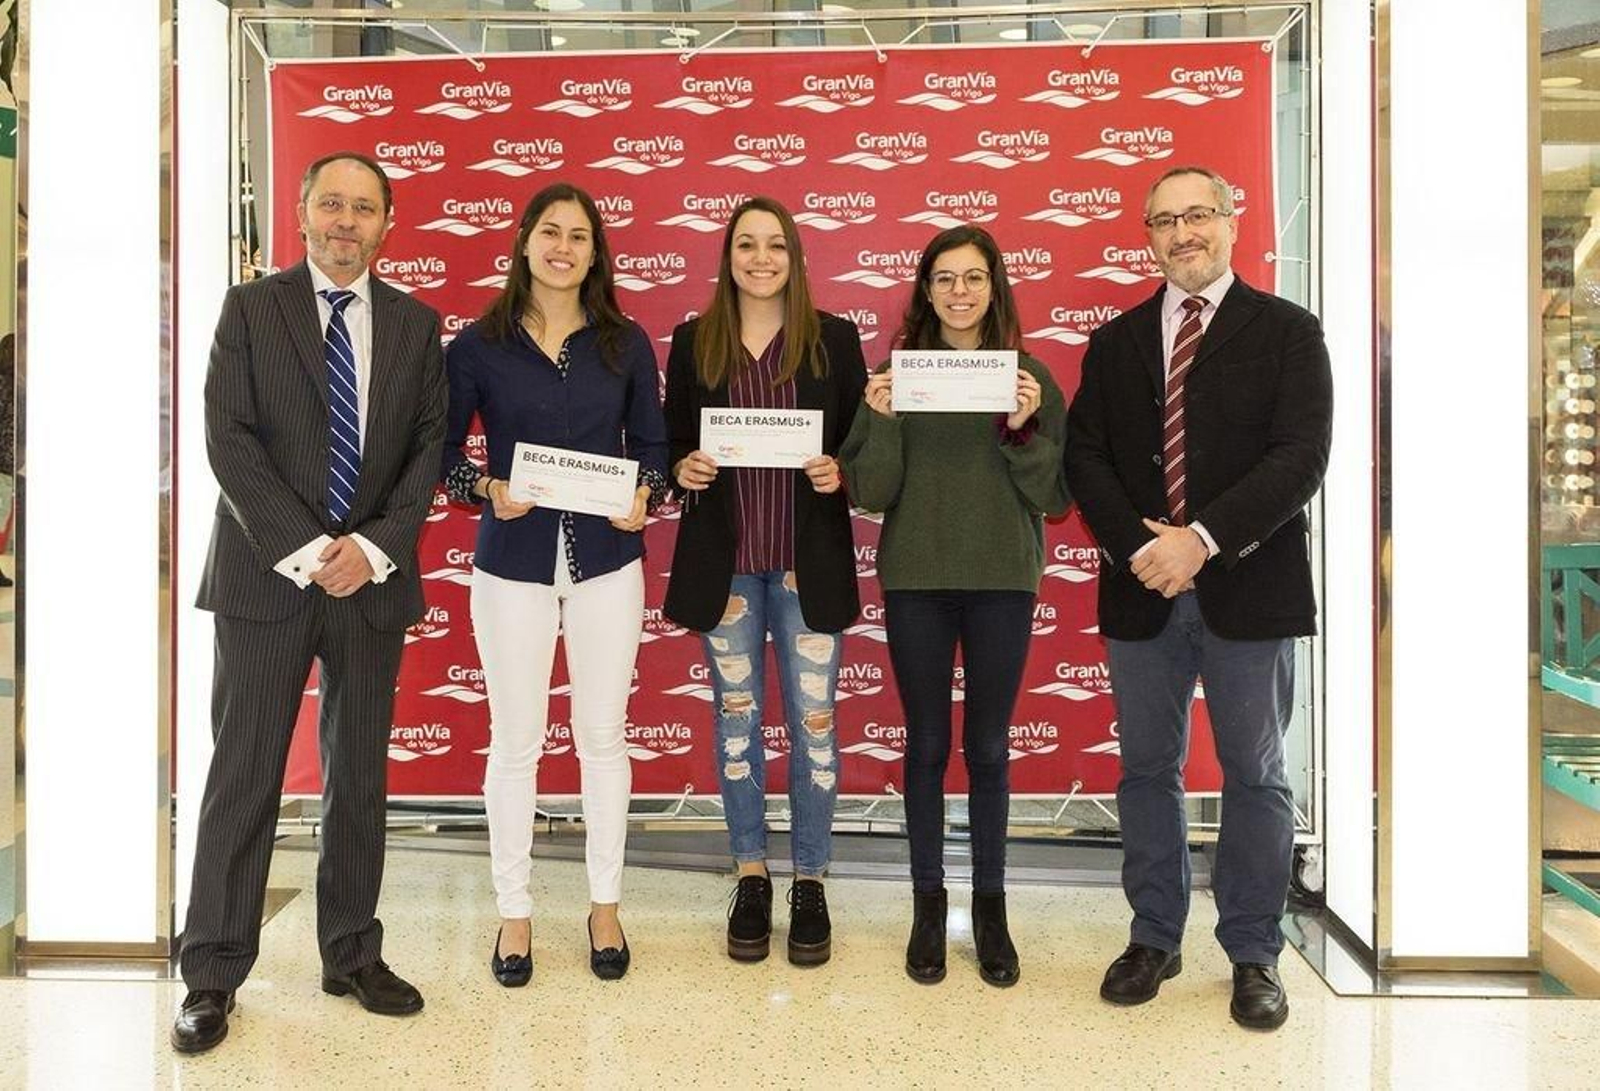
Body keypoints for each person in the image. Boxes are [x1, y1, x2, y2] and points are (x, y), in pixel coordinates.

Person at [174, 151, 447, 1054]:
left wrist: (367, 550)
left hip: (369, 582)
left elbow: (425, 452)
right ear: (300, 213)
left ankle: (350, 950)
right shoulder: (251, 309)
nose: (346, 221)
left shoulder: (416, 325)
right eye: (331, 203)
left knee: (358, 777)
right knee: (245, 773)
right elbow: (227, 434)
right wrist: (306, 548)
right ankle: (212, 970)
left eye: (364, 208)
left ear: (387, 223)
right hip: (266, 577)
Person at [1064, 166, 1332, 1030]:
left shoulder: (1289, 331)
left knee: (1257, 775)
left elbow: (1300, 458)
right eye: (1165, 220)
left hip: (1249, 589)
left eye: (1199, 215)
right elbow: (1087, 461)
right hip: (1143, 591)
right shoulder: (1115, 342)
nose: (1184, 233)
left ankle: (1254, 949)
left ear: (1231, 222)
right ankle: (1154, 935)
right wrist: (1145, 548)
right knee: (1147, 771)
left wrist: (1200, 539)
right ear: (1146, 235)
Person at [440, 183, 667, 986]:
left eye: (579, 235)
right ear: (525, 243)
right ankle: (514, 913)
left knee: (603, 739)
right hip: (513, 566)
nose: (564, 246)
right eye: (550, 232)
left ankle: (605, 905)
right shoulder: (476, 346)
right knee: (516, 743)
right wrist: (486, 490)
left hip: (608, 562)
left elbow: (653, 446)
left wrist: (648, 493)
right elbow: (442, 456)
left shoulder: (625, 341)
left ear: (596, 252)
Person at [839, 225, 1069, 988]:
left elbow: (1055, 495)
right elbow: (869, 491)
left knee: (992, 749)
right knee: (929, 745)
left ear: (994, 287)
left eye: (974, 278)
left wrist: (1021, 428)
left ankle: (992, 908)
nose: (960, 293)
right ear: (925, 290)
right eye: (945, 279)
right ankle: (928, 906)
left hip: (1003, 577)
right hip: (917, 579)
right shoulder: (894, 375)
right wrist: (883, 419)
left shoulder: (1029, 377)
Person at [663, 196, 867, 966]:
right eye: (746, 244)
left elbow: (860, 446)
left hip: (803, 566)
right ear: (728, 255)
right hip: (729, 572)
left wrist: (840, 469)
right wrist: (683, 466)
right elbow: (677, 440)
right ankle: (751, 872)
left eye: (774, 245)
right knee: (737, 724)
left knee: (815, 724)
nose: (760, 258)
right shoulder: (693, 341)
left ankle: (809, 875)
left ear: (794, 256)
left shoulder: (836, 340)